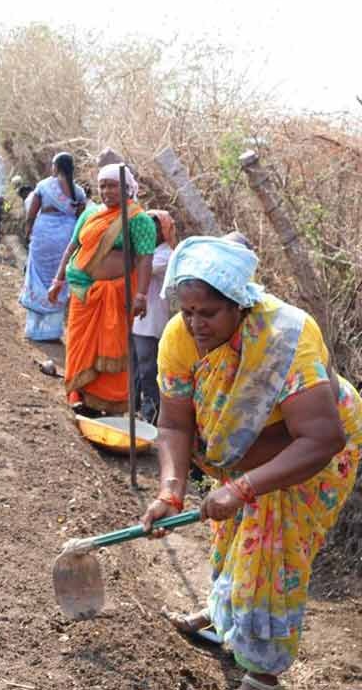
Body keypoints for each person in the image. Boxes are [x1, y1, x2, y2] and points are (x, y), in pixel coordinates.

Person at [143, 236, 360, 690]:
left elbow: (322, 437)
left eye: (208, 313)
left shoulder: (286, 337)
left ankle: (262, 671)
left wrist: (242, 488)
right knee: (232, 533)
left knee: (270, 550)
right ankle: (226, 617)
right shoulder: (179, 338)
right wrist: (170, 488)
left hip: (309, 455)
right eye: (187, 312)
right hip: (244, 455)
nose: (195, 324)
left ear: (239, 305)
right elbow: (176, 425)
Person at [48, 163, 155, 414]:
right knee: (78, 342)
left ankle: (106, 403)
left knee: (109, 345)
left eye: (112, 186)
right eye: (103, 186)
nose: (107, 191)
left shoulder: (138, 219)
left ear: (127, 188)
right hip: (82, 292)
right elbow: (73, 246)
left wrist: (141, 294)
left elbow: (145, 258)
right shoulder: (90, 213)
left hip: (115, 295)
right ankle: (80, 396)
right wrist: (58, 280)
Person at [18, 153, 86, 341]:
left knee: (38, 276)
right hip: (66, 236)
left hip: (44, 234)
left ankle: (34, 328)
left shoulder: (44, 186)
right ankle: (52, 331)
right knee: (59, 278)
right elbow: (81, 217)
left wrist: (28, 230)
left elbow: (32, 212)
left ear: (56, 167)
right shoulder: (78, 191)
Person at [131, 209, 176, 421]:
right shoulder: (148, 252)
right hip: (138, 318)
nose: (151, 233)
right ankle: (134, 410)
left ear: (164, 232)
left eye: (155, 229)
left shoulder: (166, 255)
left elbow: (141, 268)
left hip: (151, 319)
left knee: (148, 369)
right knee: (136, 368)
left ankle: (152, 415)